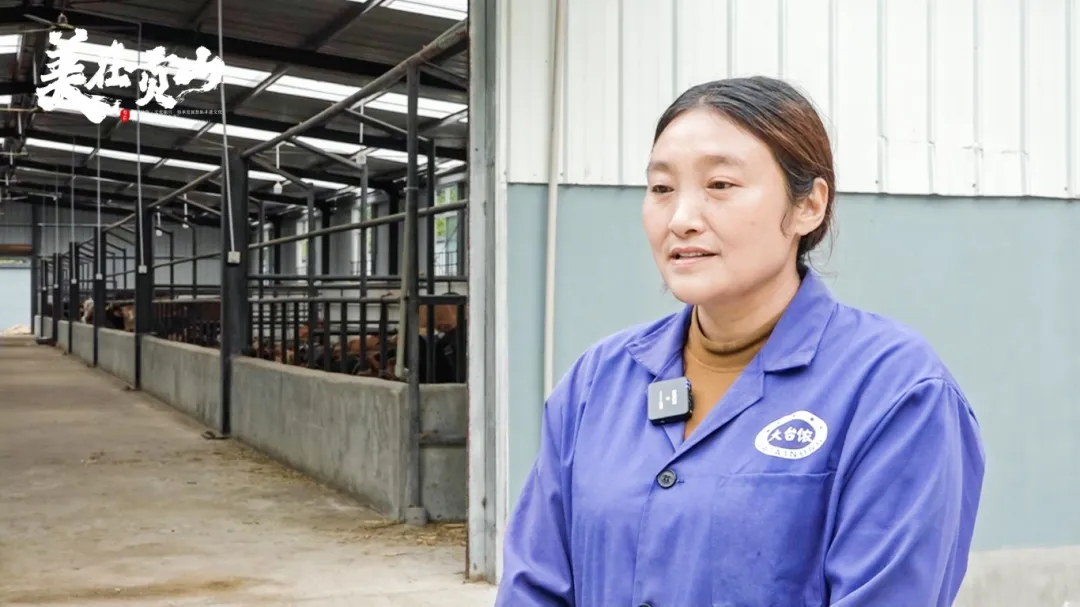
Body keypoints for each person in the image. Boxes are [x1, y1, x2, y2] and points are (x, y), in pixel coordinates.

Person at [494, 76, 986, 606]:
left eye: (720, 185)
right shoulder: (598, 382)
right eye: (662, 188)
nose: (681, 219)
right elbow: (533, 586)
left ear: (808, 205)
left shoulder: (895, 391)